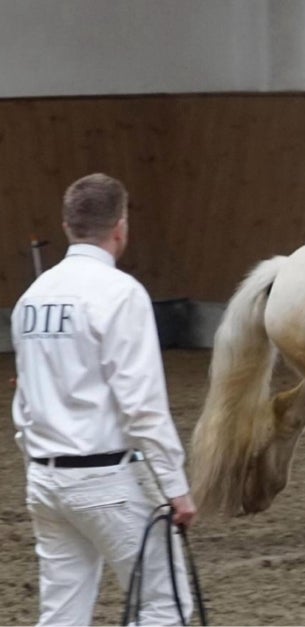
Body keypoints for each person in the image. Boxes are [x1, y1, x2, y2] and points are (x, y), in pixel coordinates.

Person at [10, 173, 196, 626]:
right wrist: (175, 486)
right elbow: (142, 403)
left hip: (46, 478)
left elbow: (25, 398)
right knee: (164, 604)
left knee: (61, 614)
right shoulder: (120, 294)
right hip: (104, 478)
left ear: (68, 224)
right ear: (120, 225)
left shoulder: (31, 299)